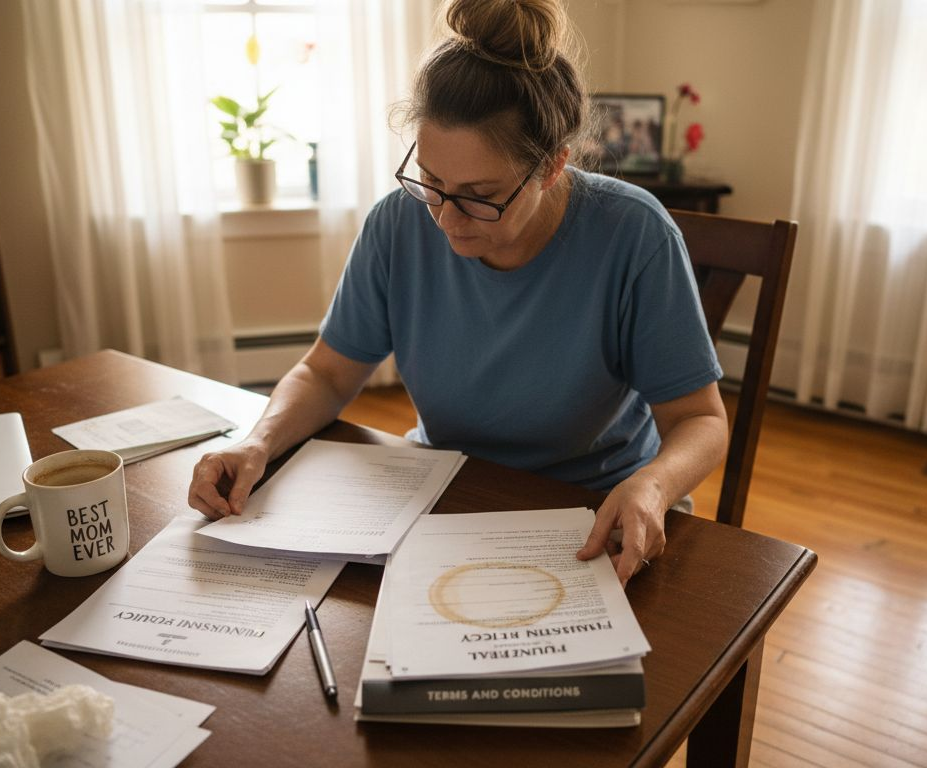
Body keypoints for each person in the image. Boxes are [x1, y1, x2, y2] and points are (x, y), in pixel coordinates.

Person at [188, 0, 728, 586]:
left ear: (552, 167)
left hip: (593, 510)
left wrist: (653, 485)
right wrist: (257, 443)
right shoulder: (396, 223)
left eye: (479, 195)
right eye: (431, 180)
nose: (445, 218)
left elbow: (700, 419)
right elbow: (326, 374)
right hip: (443, 490)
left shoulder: (634, 233)